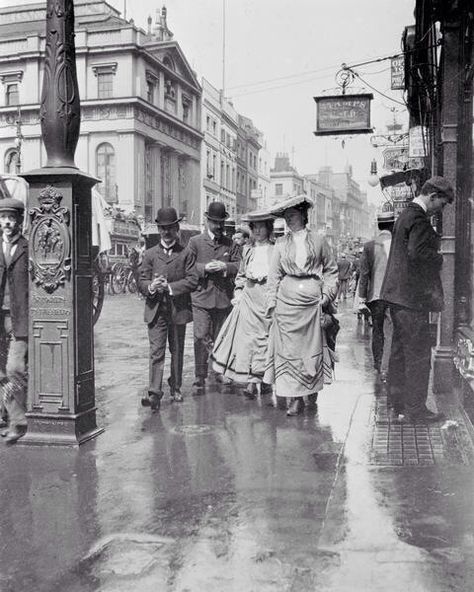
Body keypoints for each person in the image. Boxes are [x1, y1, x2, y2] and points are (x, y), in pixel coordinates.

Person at [380, 176, 454, 423]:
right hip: (411, 299)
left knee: (399, 354)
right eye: (441, 204)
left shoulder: (405, 215)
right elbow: (417, 253)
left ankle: (396, 406)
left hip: (396, 296)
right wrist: (440, 258)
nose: (440, 210)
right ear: (432, 197)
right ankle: (415, 411)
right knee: (418, 355)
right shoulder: (419, 220)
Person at [263, 195, 338, 416]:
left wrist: (327, 295)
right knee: (289, 352)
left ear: (303, 216)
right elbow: (274, 276)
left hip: (312, 306)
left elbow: (331, 270)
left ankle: (311, 392)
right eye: (286, 216)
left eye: (293, 215)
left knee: (311, 350)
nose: (289, 220)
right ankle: (294, 398)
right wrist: (272, 304)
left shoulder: (319, 241)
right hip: (287, 306)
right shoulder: (280, 244)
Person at [138, 207, 198, 411]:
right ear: (158, 229)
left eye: (170, 228)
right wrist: (151, 287)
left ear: (177, 228)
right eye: (162, 228)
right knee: (156, 352)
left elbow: (192, 281)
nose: (166, 232)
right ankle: (154, 393)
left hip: (177, 309)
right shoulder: (149, 254)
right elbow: (141, 280)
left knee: (177, 350)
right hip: (156, 310)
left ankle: (176, 387)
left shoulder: (186, 253)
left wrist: (170, 287)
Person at [211, 211, 275, 398]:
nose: (258, 231)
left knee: (264, 340)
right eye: (254, 227)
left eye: (262, 227)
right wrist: (238, 293)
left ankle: (262, 380)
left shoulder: (276, 250)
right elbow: (241, 275)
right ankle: (250, 381)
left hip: (266, 300)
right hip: (249, 298)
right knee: (247, 341)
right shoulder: (247, 250)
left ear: (268, 228)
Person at [187, 201, 241, 396]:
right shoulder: (195, 242)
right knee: (200, 336)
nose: (219, 227)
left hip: (223, 298)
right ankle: (199, 376)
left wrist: (225, 267)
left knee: (221, 338)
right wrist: (204, 268)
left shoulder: (230, 244)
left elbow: (239, 265)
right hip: (201, 297)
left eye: (221, 223)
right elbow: (188, 267)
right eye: (215, 222)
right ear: (207, 220)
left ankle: (218, 372)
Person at [0, 198, 28, 444]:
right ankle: (12, 416)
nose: (7, 222)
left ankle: (18, 421)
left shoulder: (27, 248)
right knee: (1, 373)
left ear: (19, 221)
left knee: (14, 369)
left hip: (19, 318)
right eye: (3, 218)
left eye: (12, 218)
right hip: (0, 318)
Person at [358, 210, 396, 380]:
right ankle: (386, 369)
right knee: (391, 331)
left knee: (377, 331)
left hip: (375, 296)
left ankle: (378, 363)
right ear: (392, 225)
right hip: (394, 295)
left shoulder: (369, 246)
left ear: (379, 226)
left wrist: (361, 299)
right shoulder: (398, 244)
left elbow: (364, 274)